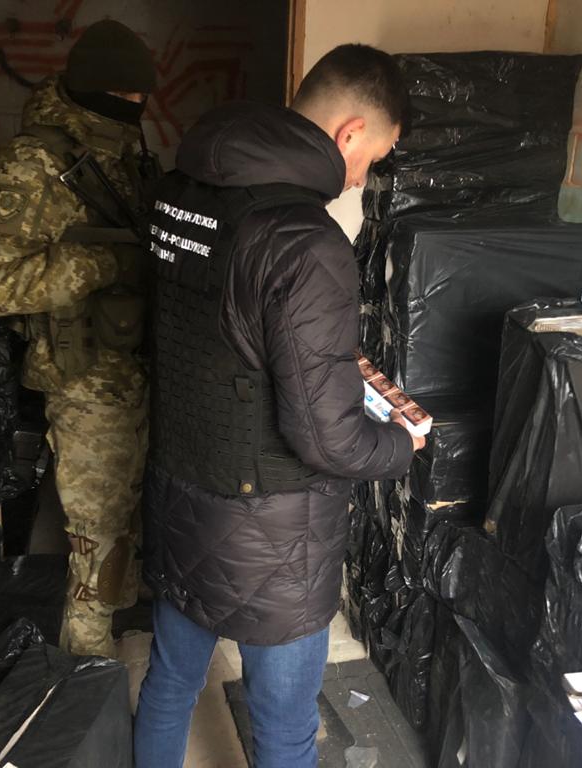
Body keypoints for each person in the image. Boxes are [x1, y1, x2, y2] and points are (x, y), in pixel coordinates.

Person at [134, 44, 423, 768]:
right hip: (275, 535)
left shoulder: (178, 193)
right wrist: (401, 444)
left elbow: (215, 339)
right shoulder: (304, 240)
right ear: (351, 133)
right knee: (285, 731)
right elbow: (328, 440)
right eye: (373, 158)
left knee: (169, 684)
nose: (362, 178)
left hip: (180, 492)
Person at [0, 19, 157, 658]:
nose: (136, 108)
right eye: (125, 97)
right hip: (82, 381)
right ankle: (86, 663)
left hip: (136, 367)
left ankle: (115, 618)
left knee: (127, 516)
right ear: (94, 90)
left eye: (140, 99)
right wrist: (108, 263)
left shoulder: (119, 152)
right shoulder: (29, 165)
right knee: (94, 530)